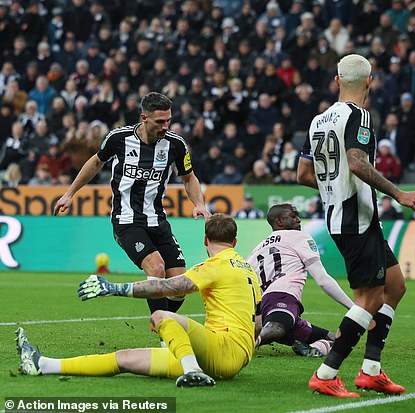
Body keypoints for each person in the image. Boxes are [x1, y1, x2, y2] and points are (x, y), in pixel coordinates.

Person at [297, 54, 415, 397]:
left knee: (394, 287)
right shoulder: (360, 115)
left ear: (337, 80)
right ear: (370, 81)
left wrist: (332, 185)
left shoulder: (318, 121)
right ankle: (326, 372)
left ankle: (371, 370)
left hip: (345, 216)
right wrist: (397, 193)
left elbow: (303, 174)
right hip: (356, 218)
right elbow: (355, 161)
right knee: (367, 299)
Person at [16, 214, 262, 387]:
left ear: (206, 241)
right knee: (126, 358)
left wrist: (115, 287)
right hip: (232, 357)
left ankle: (192, 372)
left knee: (160, 316)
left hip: (220, 350)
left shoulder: (214, 265)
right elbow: (258, 322)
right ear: (235, 242)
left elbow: (170, 286)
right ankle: (44, 364)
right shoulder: (249, 270)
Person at [53, 92, 210, 317]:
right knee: (156, 268)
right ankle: (165, 330)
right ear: (144, 118)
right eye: (160, 121)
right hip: (126, 220)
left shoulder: (176, 144)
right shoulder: (118, 138)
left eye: (169, 120)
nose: (166, 126)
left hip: (157, 219)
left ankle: (161, 321)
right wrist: (70, 193)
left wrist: (199, 204)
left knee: (179, 285)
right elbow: (96, 162)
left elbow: (189, 177)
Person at [248, 203, 354, 357]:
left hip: (263, 307)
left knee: (337, 340)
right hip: (282, 295)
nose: (299, 219)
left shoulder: (258, 248)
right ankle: (248, 345)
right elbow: (323, 279)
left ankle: (313, 347)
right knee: (277, 327)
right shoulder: (299, 236)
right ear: (279, 221)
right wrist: (353, 308)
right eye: (293, 216)